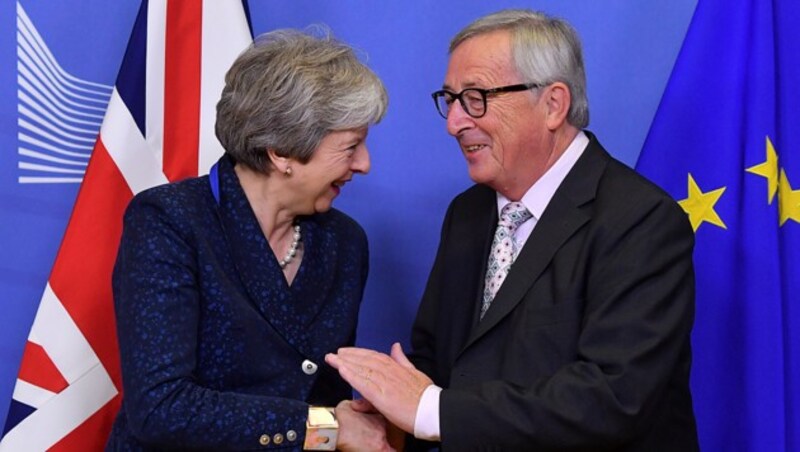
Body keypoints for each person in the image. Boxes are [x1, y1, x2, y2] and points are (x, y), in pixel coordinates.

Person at [326, 9, 699, 451]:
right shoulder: (468, 213)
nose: (454, 123)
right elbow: (441, 365)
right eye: (450, 99)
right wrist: (390, 420)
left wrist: (429, 412)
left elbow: (613, 398)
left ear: (553, 104)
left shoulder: (642, 220)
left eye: (476, 98)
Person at [107, 29, 393, 451]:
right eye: (351, 147)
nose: (365, 164)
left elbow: (323, 394)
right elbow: (160, 407)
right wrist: (326, 427)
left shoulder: (344, 242)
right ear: (282, 151)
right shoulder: (170, 221)